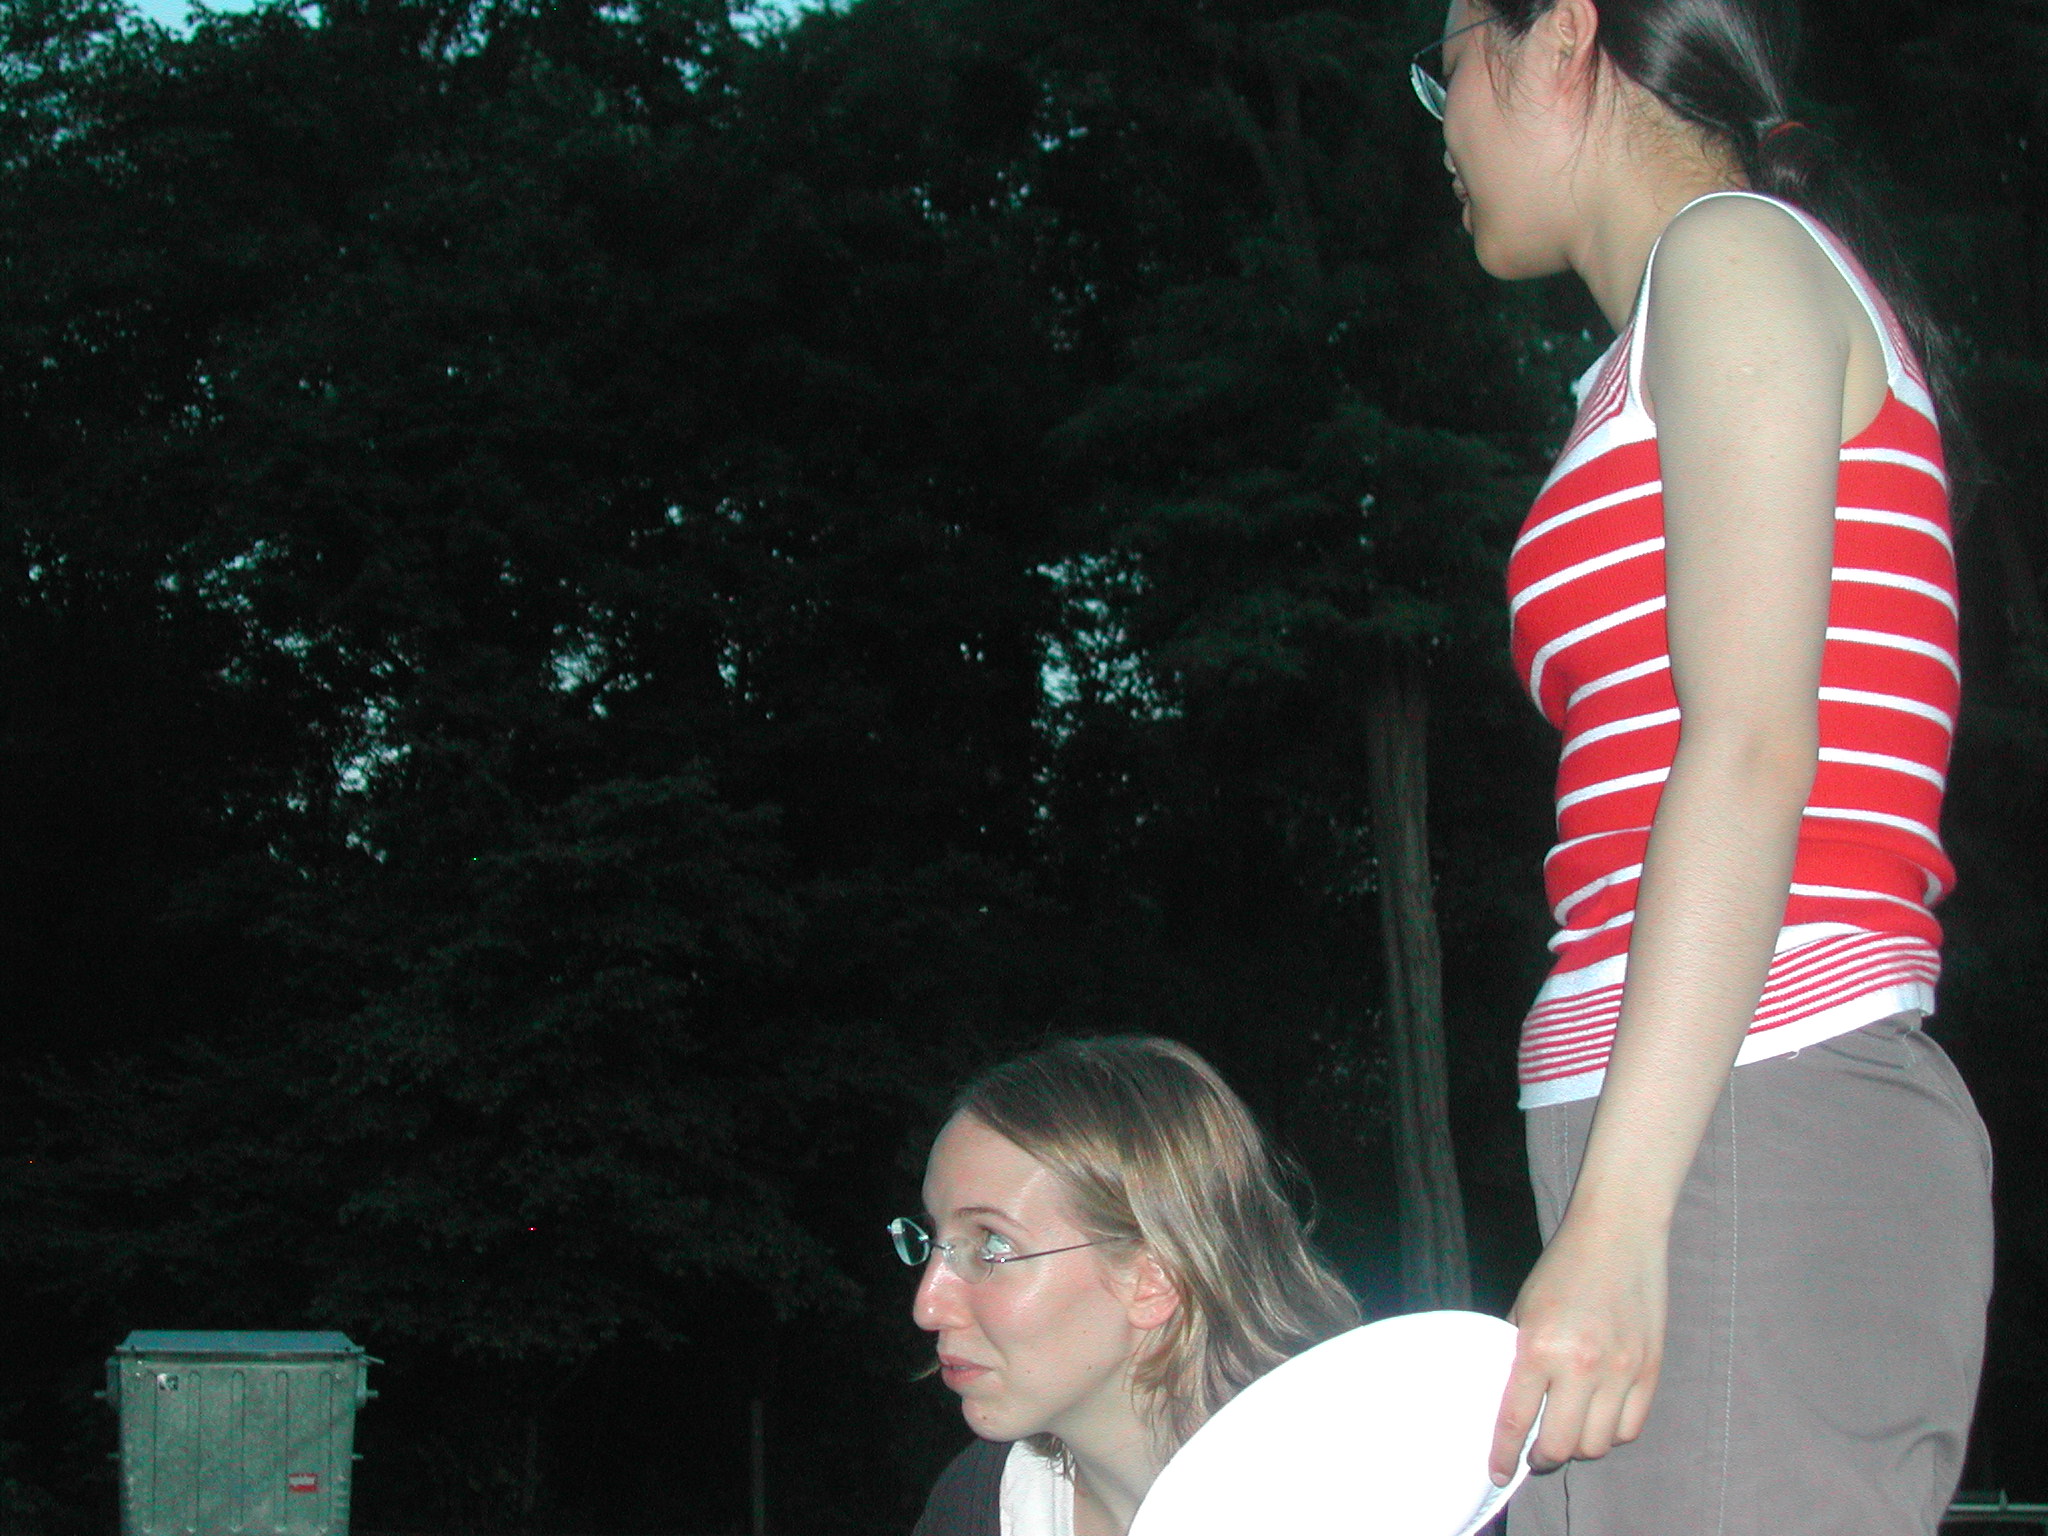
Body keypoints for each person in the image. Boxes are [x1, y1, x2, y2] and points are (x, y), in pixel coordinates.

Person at [1409, 1, 1994, 1531]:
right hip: (1686, 1120)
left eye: (1446, 62)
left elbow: (1748, 745)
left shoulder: (1733, 256)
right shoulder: (1658, 339)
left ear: (1561, 37)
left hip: (1753, 1100)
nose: (1440, 121)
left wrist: (1617, 1220)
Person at [897, 1035, 1359, 1536]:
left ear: (1153, 1278)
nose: (927, 1306)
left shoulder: (1368, 1496)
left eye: (992, 1244)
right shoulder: (980, 1503)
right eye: (934, 1239)